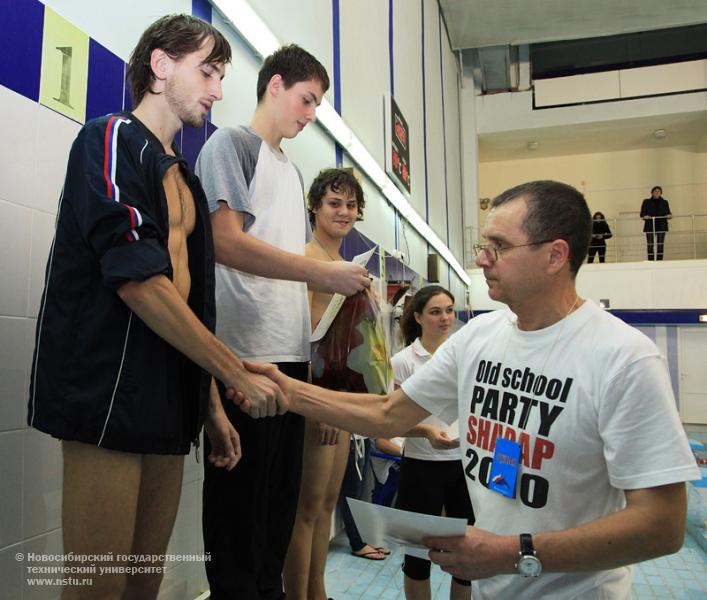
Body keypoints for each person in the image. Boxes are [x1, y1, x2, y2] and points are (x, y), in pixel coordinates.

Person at [244, 180, 699, 600]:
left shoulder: (623, 359)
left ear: (555, 256)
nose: (481, 259)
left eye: (498, 247)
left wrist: (512, 552)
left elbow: (662, 525)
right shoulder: (478, 338)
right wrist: (290, 390)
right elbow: (389, 413)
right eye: (484, 245)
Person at [27, 15, 285, 600]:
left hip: (168, 402)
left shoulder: (186, 181)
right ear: (161, 66)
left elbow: (192, 299)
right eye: (209, 72)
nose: (218, 91)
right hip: (108, 396)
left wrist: (211, 405)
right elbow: (138, 280)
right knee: (97, 588)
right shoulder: (112, 138)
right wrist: (233, 368)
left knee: (145, 585)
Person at [195, 50, 370, 599]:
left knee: (275, 520)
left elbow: (279, 268)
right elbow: (224, 243)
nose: (312, 113)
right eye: (308, 99)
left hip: (289, 365)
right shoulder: (232, 146)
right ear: (276, 84)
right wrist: (323, 272)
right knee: (239, 525)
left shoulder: (291, 172)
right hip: (244, 360)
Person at [283, 167, 372, 598]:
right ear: (315, 206)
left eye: (351, 204)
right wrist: (316, 405)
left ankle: (317, 590)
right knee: (305, 508)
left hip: (338, 401)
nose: (343, 211)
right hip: (314, 398)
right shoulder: (307, 259)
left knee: (324, 505)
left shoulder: (345, 266)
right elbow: (301, 339)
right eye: (334, 203)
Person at [392, 286, 473, 600]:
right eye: (436, 311)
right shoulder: (404, 361)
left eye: (450, 310)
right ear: (418, 317)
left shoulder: (465, 356)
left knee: (465, 557)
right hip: (421, 467)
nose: (445, 318)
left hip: (464, 467)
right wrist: (426, 432)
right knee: (416, 557)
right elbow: (394, 420)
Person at [640, 186, 672, 260]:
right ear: (652, 193)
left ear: (661, 193)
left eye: (658, 191)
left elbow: (668, 213)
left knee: (660, 244)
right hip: (650, 225)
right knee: (650, 244)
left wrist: (669, 216)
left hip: (661, 225)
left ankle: (659, 260)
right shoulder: (646, 201)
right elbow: (642, 214)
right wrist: (645, 216)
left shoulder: (665, 202)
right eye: (655, 191)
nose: (657, 193)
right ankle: (651, 260)